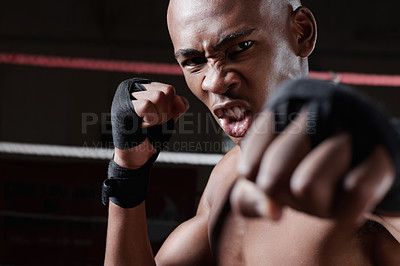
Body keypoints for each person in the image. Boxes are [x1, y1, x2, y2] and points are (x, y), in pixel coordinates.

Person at [103, 0, 400, 265]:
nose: (214, 83)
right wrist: (128, 173)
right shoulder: (226, 178)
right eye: (194, 62)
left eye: (239, 48)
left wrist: (390, 173)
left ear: (302, 32)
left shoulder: (367, 168)